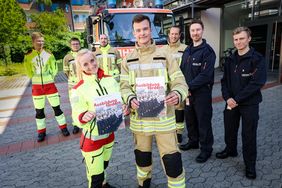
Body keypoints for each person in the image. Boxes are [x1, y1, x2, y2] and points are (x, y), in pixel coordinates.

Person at [120, 14, 188, 188]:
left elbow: (180, 81)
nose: (142, 33)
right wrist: (130, 98)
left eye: (144, 29)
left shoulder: (165, 54)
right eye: (138, 30)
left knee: (172, 161)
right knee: (142, 158)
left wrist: (177, 93)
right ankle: (143, 184)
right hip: (140, 121)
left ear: (150, 30)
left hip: (164, 121)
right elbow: (124, 86)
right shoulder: (127, 59)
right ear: (133, 33)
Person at [216, 26, 266, 179]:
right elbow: (224, 81)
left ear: (249, 39)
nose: (238, 42)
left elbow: (257, 83)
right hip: (231, 103)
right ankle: (230, 150)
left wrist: (236, 99)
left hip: (249, 104)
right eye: (236, 39)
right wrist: (228, 98)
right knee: (229, 129)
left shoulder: (257, 59)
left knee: (248, 135)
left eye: (242, 38)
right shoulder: (230, 59)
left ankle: (250, 165)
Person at [70, 49, 125, 188]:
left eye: (92, 61)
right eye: (85, 64)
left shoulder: (110, 80)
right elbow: (76, 114)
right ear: (80, 67)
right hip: (92, 140)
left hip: (109, 135)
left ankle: (104, 184)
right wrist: (83, 116)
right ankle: (100, 183)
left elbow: (119, 101)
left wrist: (124, 107)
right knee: (96, 178)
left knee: (104, 166)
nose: (90, 66)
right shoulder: (78, 89)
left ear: (96, 59)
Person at [179, 19, 215, 163]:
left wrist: (188, 87)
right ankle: (193, 141)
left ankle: (206, 149)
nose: (195, 33)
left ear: (202, 31)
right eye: (192, 30)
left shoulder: (208, 52)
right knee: (190, 119)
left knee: (203, 121)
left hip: (201, 94)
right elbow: (181, 70)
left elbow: (205, 75)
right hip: (188, 94)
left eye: (198, 30)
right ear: (189, 32)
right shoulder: (187, 50)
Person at [24, 32, 70, 142]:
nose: (41, 43)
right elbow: (28, 70)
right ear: (33, 41)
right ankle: (41, 132)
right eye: (38, 41)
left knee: (57, 109)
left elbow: (54, 69)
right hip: (37, 87)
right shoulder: (28, 55)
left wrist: (50, 77)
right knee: (39, 111)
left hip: (50, 85)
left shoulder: (49, 54)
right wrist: (35, 78)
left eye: (42, 41)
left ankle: (63, 128)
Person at [162, 26, 187, 143]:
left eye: (176, 34)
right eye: (172, 34)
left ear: (179, 35)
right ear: (169, 34)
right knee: (166, 107)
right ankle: (167, 130)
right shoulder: (162, 49)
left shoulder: (185, 49)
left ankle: (179, 132)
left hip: (178, 83)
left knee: (179, 108)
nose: (174, 36)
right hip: (165, 84)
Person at [63, 37, 81, 134]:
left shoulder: (83, 54)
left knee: (85, 103)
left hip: (84, 85)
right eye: (73, 44)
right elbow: (66, 72)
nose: (75, 45)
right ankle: (76, 124)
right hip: (73, 86)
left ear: (80, 45)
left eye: (77, 44)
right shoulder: (67, 57)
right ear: (70, 45)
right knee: (74, 105)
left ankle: (86, 122)